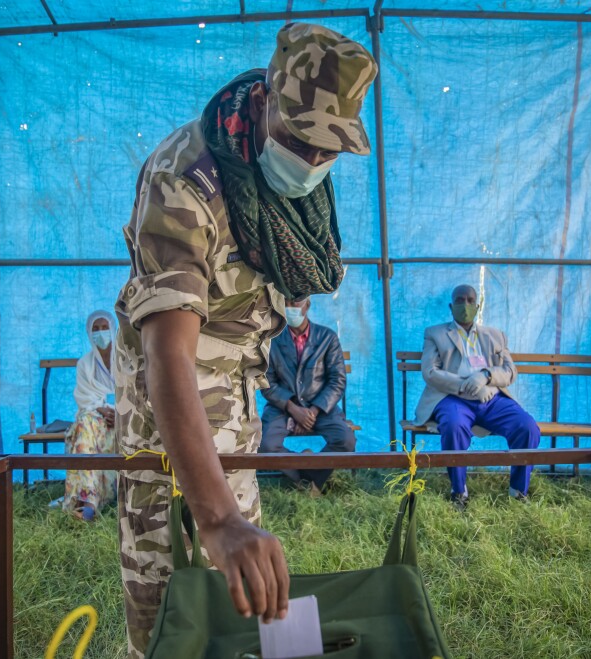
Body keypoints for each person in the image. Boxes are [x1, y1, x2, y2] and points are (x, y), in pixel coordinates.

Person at [113, 23, 377, 658]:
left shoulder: (287, 178)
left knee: (242, 596)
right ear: (262, 102)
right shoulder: (185, 177)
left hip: (236, 399)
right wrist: (217, 518)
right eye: (299, 139)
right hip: (165, 406)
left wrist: (232, 522)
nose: (313, 162)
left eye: (328, 149)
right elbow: (167, 353)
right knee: (166, 597)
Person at [414, 285, 541, 509]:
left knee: (527, 427)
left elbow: (510, 371)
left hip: (491, 397)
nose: (465, 305)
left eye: (470, 300)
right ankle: (459, 491)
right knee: (453, 426)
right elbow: (430, 372)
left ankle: (518, 491)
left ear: (477, 306)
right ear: (451, 306)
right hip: (452, 397)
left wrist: (486, 376)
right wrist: (467, 386)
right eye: (460, 300)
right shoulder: (435, 333)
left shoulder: (495, 335)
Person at [260, 297, 355, 493]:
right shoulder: (272, 340)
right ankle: (309, 481)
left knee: (346, 440)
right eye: (285, 303)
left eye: (295, 303)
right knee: (266, 445)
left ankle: (307, 479)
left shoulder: (327, 338)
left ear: (308, 305)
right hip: (283, 408)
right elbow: (266, 382)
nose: (289, 308)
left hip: (320, 409)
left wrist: (312, 411)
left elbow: (337, 380)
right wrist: (293, 409)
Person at [62, 310, 118, 521]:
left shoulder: (125, 360)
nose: (101, 333)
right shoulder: (84, 364)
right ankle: (89, 501)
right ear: (88, 333)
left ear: (113, 329)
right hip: (96, 418)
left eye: (104, 327)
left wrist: (119, 413)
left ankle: (109, 496)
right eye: (95, 329)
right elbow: (86, 398)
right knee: (84, 425)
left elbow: (133, 392)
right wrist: (103, 409)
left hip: (123, 417)